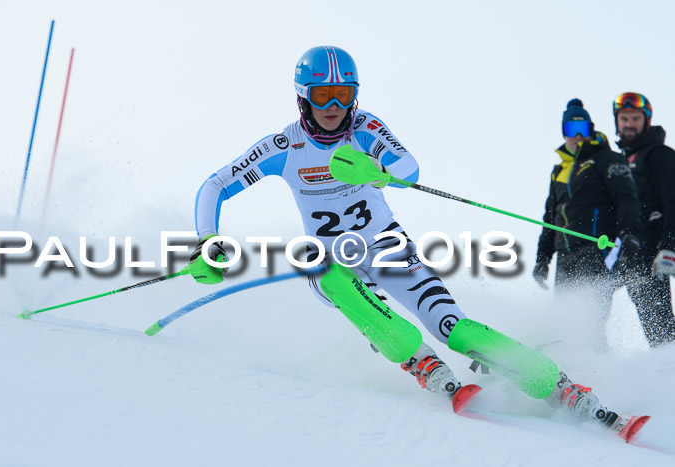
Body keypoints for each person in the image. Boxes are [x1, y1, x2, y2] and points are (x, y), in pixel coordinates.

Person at [189, 46, 640, 435]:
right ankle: (416, 359)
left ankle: (555, 385)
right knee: (329, 274)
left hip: (389, 249)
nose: (333, 105)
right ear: (302, 96)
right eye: (322, 94)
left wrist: (379, 171)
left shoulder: (365, 127)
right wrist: (206, 241)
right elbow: (214, 186)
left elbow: (409, 169)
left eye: (343, 94)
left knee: (456, 329)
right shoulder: (282, 147)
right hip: (333, 258)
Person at [533, 99, 643, 349]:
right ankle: (571, 373)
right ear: (564, 133)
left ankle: (601, 374)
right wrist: (542, 259)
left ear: (591, 129)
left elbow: (627, 198)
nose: (579, 136)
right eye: (572, 131)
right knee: (565, 325)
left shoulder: (607, 159)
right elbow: (550, 219)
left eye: (584, 129)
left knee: (589, 321)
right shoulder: (559, 170)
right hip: (565, 257)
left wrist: (629, 233)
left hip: (596, 251)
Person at [613, 92, 675, 347]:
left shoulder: (658, 154)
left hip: (652, 251)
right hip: (627, 252)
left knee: (659, 324)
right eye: (624, 118)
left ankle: (668, 366)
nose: (629, 123)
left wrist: (669, 246)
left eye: (635, 118)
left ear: (646, 121)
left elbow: (673, 200)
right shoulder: (618, 161)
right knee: (593, 300)